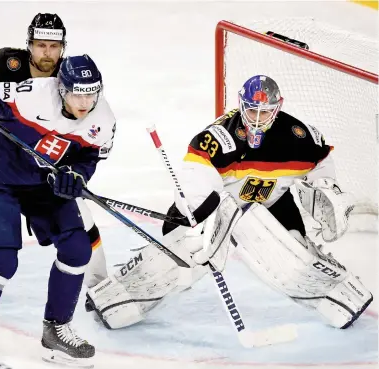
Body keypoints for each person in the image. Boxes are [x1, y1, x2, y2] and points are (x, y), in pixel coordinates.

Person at [86, 75, 372, 331]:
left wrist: (326, 189)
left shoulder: (300, 136)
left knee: (292, 256)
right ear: (240, 104)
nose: (258, 118)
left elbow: (322, 162)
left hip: (272, 205)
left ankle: (336, 297)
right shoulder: (219, 138)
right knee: (183, 254)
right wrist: (199, 218)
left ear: (278, 107)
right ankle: (118, 299)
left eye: (266, 111)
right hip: (218, 206)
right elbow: (195, 180)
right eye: (251, 110)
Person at [0, 54, 116, 366]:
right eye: (77, 93)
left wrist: (76, 177)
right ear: (62, 89)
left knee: (77, 249)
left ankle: (55, 332)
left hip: (39, 180)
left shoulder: (104, 122)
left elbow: (87, 159)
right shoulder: (30, 94)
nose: (84, 102)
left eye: (91, 93)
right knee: (1, 261)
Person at [0, 13, 106, 302]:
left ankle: (101, 289)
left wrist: (73, 170)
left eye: (54, 47)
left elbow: (84, 130)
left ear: (63, 46)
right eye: (40, 45)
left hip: (40, 169)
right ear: (28, 44)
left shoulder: (71, 77)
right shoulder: (0, 63)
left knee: (80, 219)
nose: (47, 54)